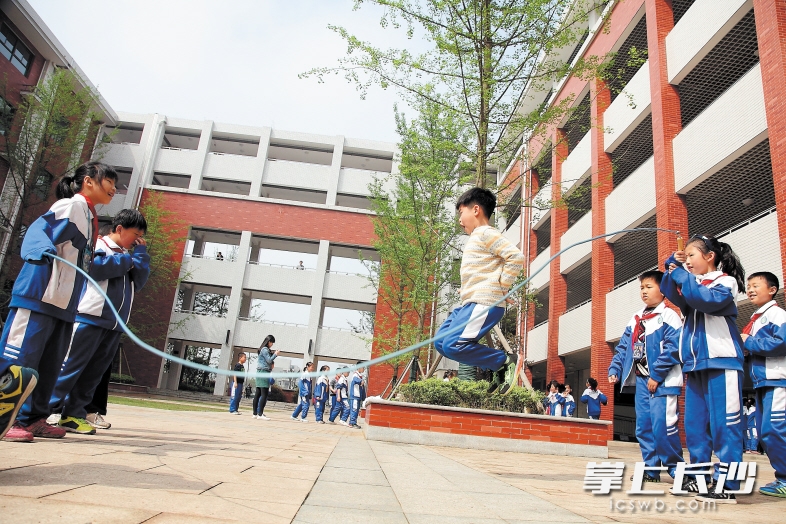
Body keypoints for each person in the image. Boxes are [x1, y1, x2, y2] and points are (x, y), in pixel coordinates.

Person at [2, 162, 117, 442]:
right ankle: (8, 419)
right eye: (109, 181)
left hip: (64, 305)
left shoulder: (90, 220)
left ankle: (33, 418)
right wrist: (40, 250)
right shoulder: (71, 206)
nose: (114, 188)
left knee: (49, 364)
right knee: (21, 358)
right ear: (88, 181)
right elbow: (39, 230)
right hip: (39, 296)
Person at [48, 209, 150, 434]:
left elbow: (140, 280)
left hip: (114, 325)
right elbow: (96, 268)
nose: (137, 241)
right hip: (90, 317)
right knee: (72, 366)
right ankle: (48, 410)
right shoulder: (99, 246)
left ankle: (74, 414)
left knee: (94, 373)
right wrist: (127, 260)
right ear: (120, 229)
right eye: (135, 235)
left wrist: (140, 255)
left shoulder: (131, 254)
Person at [661, 234, 745, 503]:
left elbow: (704, 300)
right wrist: (670, 266)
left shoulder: (725, 282)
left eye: (691, 255)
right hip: (695, 367)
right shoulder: (692, 282)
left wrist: (683, 275)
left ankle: (728, 484)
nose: (687, 260)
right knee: (695, 427)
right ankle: (700, 480)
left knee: (725, 426)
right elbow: (672, 292)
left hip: (723, 362)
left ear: (710, 257)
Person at [433, 188, 525, 395]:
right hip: (470, 304)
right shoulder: (477, 237)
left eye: (460, 213)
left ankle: (503, 361)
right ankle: (498, 367)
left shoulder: (485, 233)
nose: (459, 220)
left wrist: (503, 286)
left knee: (454, 344)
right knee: (441, 342)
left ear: (475, 210)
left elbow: (515, 257)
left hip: (484, 303)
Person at [607, 270, 684, 483]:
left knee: (664, 426)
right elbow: (623, 347)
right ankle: (651, 468)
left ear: (663, 290)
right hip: (641, 381)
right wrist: (615, 369)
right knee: (644, 427)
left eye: (649, 287)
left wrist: (657, 376)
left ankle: (676, 469)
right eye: (642, 287)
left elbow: (673, 349)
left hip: (663, 382)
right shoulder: (636, 318)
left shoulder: (669, 316)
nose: (644, 291)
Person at [740, 270, 786, 497]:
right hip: (763, 382)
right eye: (749, 285)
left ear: (772, 290)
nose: (750, 289)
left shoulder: (777, 315)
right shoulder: (756, 318)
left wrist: (750, 341)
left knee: (773, 431)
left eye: (756, 285)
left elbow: (781, 342)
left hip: (778, 380)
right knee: (766, 431)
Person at [253, 335, 277, 420]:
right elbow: (269, 360)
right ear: (269, 342)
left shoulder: (262, 349)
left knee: (258, 393)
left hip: (259, 372)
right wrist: (275, 354)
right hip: (264, 372)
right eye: (272, 343)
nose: (272, 344)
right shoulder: (265, 349)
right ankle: (260, 414)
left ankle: (255, 413)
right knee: (264, 393)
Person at [348, 363, 366, 429]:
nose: (364, 369)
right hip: (355, 396)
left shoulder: (359, 375)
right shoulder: (355, 375)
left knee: (356, 409)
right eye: (363, 367)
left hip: (358, 396)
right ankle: (352, 423)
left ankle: (353, 422)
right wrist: (361, 381)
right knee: (354, 409)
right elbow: (356, 380)